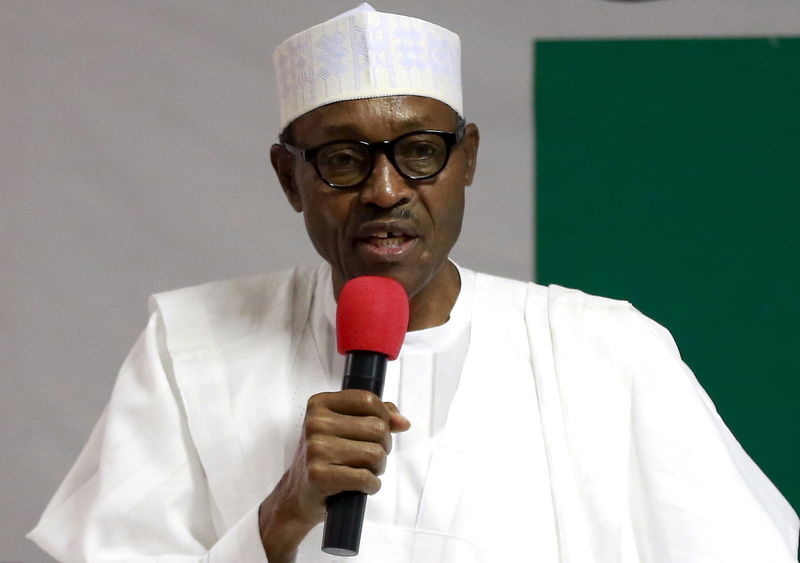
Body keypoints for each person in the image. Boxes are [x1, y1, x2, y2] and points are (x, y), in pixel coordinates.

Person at [28, 4, 799, 562]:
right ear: (288, 178)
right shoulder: (189, 348)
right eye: (342, 158)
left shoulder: (605, 349)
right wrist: (276, 519)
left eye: (420, 151)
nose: (386, 189)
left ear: (467, 160)